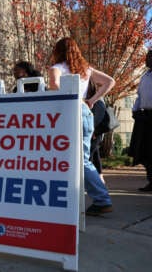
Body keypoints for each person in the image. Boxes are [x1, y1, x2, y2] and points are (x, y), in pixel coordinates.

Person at [48, 37, 115, 216]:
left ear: (58, 51)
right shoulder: (86, 70)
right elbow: (110, 81)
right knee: (79, 158)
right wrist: (91, 101)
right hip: (86, 113)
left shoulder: (57, 68)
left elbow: (54, 85)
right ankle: (76, 196)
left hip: (68, 114)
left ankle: (102, 200)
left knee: (77, 160)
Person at [128, 49, 152, 192]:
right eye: (147, 57)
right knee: (144, 151)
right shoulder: (145, 76)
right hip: (144, 117)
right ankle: (151, 180)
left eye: (150, 57)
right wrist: (135, 110)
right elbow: (139, 96)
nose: (147, 60)